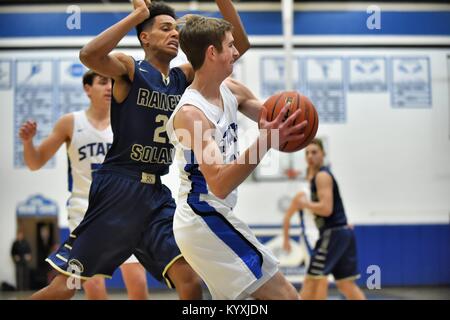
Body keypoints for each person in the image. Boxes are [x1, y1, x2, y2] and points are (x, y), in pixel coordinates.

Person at [30, 0, 249, 300]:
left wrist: (223, 4)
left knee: (189, 280)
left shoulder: (182, 78)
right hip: (118, 190)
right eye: (164, 28)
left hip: (155, 195)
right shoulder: (130, 69)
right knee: (65, 287)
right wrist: (137, 15)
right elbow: (88, 55)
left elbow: (239, 48)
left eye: (175, 29)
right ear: (144, 37)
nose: (174, 34)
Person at [166, 15, 308, 300]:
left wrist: (291, 125)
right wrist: (267, 139)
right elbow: (218, 182)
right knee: (286, 297)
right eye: (230, 46)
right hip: (202, 216)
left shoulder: (232, 90)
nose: (235, 52)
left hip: (217, 215)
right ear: (211, 52)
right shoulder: (192, 114)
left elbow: (273, 122)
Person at [19, 70, 149, 300]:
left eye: (112, 82)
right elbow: (35, 162)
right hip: (84, 210)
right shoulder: (70, 122)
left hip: (122, 211)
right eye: (102, 82)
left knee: (137, 283)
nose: (109, 87)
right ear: (87, 88)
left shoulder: (128, 121)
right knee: (92, 287)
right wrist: (28, 143)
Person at [283, 138, 366, 300]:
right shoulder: (318, 178)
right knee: (345, 285)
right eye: (307, 153)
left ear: (323, 154)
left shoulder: (322, 176)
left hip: (332, 234)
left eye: (314, 152)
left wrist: (305, 204)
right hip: (342, 233)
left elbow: (326, 209)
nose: (310, 156)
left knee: (311, 281)